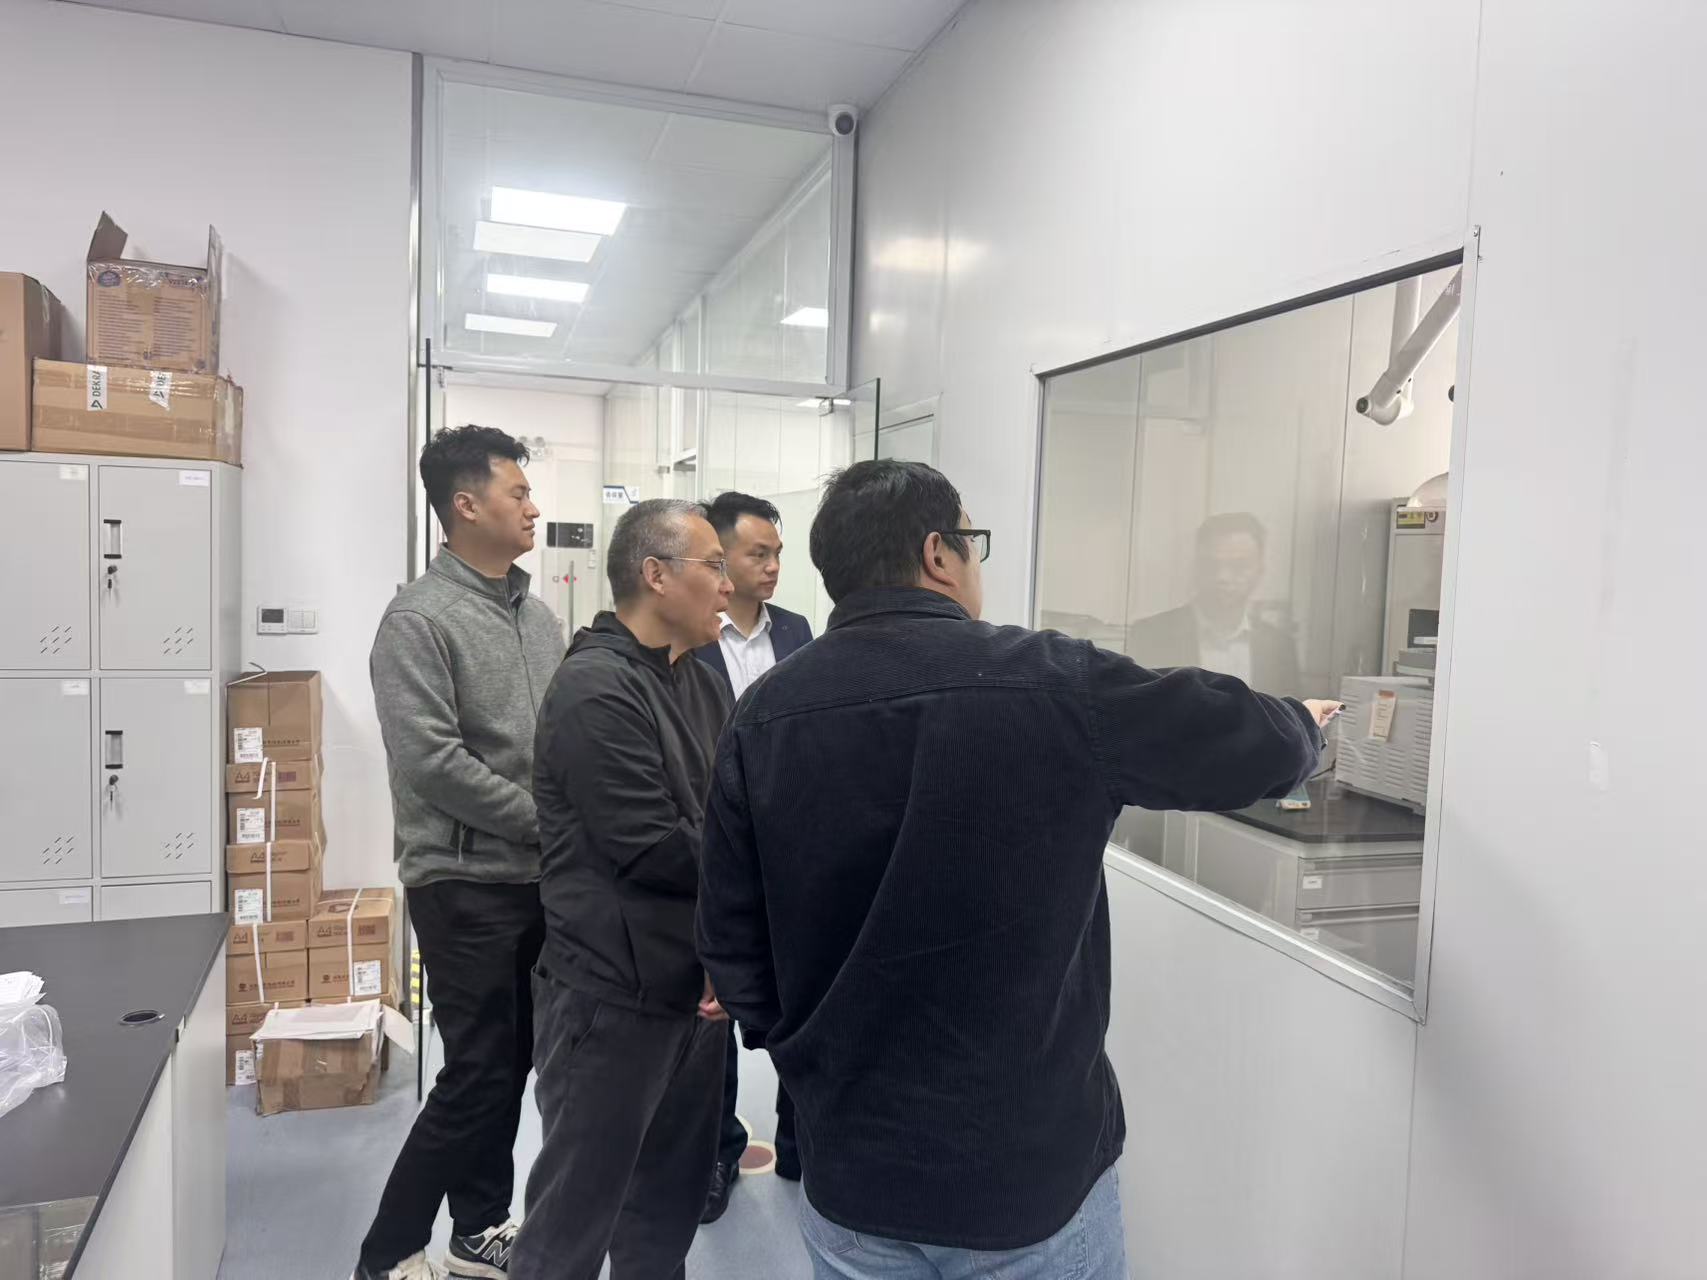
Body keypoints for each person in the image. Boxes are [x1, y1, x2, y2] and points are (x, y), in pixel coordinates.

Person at [697, 460, 1338, 1279]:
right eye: (973, 543)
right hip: (1023, 1180)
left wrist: (807, 1061)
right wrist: (1304, 729)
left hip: (851, 1169)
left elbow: (732, 942)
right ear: (938, 553)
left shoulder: (762, 715)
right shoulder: (1052, 681)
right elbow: (1243, 741)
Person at [356, 426, 564, 1280]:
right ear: (466, 505)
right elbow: (432, 762)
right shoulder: (418, 619)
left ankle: (477, 1227)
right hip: (461, 880)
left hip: (535, 879)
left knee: (509, 1065)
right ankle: (386, 1252)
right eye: (519, 493)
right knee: (476, 1071)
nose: (533, 507)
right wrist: (545, 823)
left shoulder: (537, 616)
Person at [511, 499, 735, 1280]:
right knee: (571, 1227)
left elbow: (733, 818)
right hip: (610, 1002)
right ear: (655, 575)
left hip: (694, 997)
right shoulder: (595, 690)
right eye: (714, 565)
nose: (728, 585)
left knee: (663, 1218)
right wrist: (757, 866)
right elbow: (654, 848)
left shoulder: (701, 684)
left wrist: (726, 952)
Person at [691, 492, 813, 1222]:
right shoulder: (691, 637)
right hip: (715, 843)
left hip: (790, 848)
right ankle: (717, 1153)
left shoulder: (796, 631)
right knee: (716, 1011)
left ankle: (801, 1144)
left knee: (800, 1000)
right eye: (756, 554)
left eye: (776, 555)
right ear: (721, 558)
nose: (771, 567)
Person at [1126, 512, 1300, 694]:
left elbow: (1290, 711)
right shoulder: (1151, 635)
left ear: (1259, 571)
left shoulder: (1280, 646)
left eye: (1239, 566)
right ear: (1197, 567)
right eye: (1211, 564)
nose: (1222, 576)